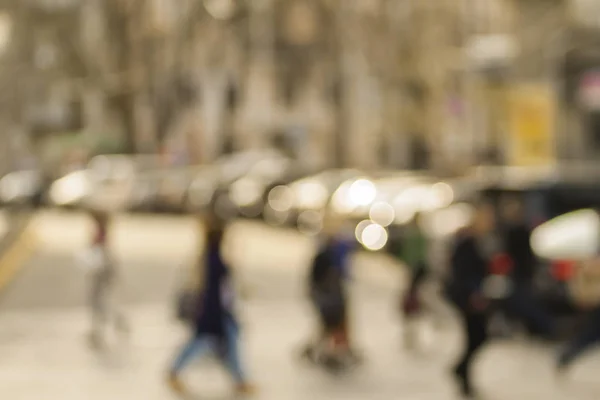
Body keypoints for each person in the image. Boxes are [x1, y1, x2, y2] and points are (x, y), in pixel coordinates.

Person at [167, 213, 255, 396]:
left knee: (224, 346)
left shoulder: (208, 257)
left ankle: (240, 380)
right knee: (212, 343)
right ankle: (239, 380)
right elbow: (217, 291)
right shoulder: (214, 260)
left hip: (215, 311)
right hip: (214, 312)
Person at [445, 202, 495, 398]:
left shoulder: (478, 241)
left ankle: (462, 372)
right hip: (468, 298)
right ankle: (461, 372)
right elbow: (463, 272)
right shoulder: (467, 242)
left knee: (477, 337)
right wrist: (474, 293)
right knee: (476, 336)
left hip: (472, 295)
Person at [501, 198, 555, 339]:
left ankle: (544, 328)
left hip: (522, 273)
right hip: (521, 274)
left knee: (525, 302)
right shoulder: (518, 231)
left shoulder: (517, 231)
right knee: (524, 302)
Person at [87, 210, 128, 349]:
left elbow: (98, 250)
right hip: (105, 269)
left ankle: (99, 329)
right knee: (104, 299)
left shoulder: (100, 233)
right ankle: (115, 323)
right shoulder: (103, 231)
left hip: (102, 269)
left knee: (99, 300)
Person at [396, 214, 430, 348]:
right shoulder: (416, 236)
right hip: (415, 272)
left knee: (413, 302)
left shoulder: (416, 236)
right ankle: (411, 332)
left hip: (415, 271)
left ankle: (412, 333)